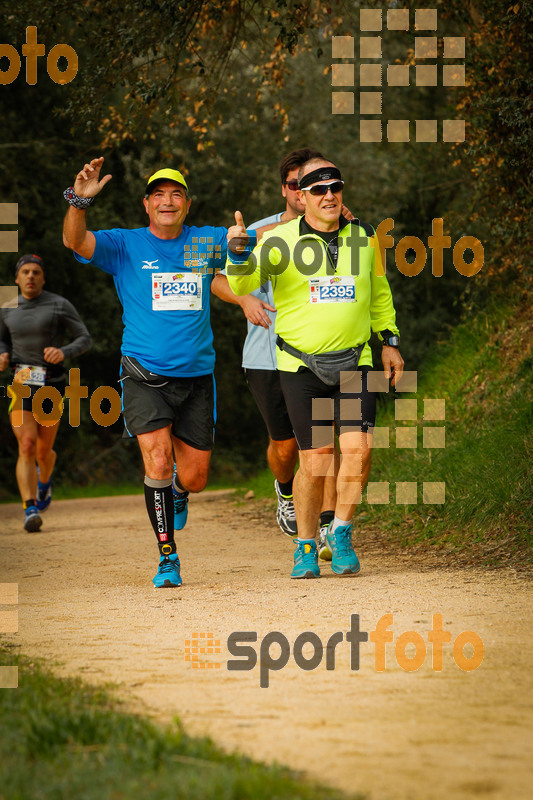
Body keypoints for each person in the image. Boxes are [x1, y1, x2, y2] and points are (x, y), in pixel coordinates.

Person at [62, 157, 260, 589]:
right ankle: (167, 557)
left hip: (196, 378)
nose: (167, 201)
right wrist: (79, 200)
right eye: (159, 195)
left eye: (176, 195)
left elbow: (244, 249)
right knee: (157, 458)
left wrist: (245, 244)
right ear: (146, 204)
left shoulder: (203, 242)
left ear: (186, 204)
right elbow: (75, 242)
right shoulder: (125, 245)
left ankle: (180, 490)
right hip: (143, 372)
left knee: (195, 477)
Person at [226, 157, 404, 579]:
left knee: (359, 450)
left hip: (356, 359)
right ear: (300, 196)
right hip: (299, 365)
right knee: (316, 459)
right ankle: (305, 546)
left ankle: (339, 532)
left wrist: (389, 341)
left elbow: (379, 294)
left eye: (335, 187)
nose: (329, 195)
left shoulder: (364, 238)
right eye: (318, 189)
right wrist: (238, 253)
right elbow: (243, 285)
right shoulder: (278, 240)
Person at [0, 254, 91, 532]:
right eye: (25, 272)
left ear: (43, 278)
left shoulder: (58, 304)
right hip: (21, 382)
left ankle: (44, 482)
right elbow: (1, 338)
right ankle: (29, 509)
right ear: (16, 279)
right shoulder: (7, 307)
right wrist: (2, 353)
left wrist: (63, 351)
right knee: (26, 444)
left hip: (52, 383)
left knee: (43, 450)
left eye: (36, 272)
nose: (30, 276)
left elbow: (84, 338)